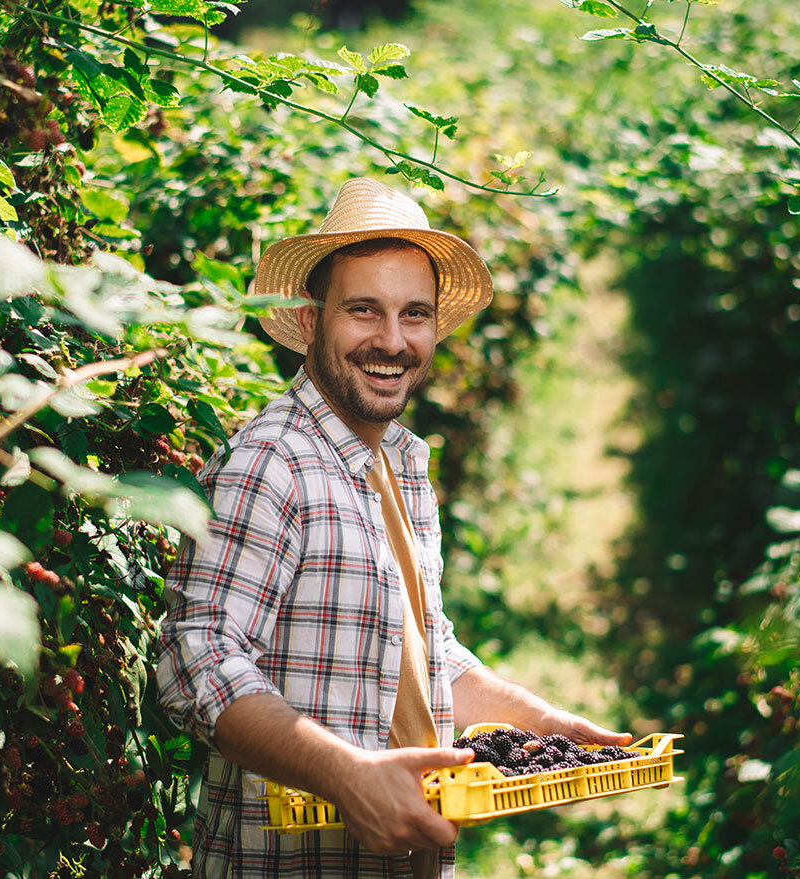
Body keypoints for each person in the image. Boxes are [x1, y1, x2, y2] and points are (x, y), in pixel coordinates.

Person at [155, 177, 630, 879]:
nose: (392, 340)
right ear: (313, 319)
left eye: (414, 314)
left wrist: (542, 727)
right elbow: (197, 661)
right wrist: (347, 773)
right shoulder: (270, 464)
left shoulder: (399, 463)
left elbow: (424, 654)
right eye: (363, 311)